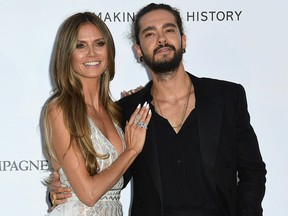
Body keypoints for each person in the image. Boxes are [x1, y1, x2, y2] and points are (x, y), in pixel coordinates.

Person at [51, 3, 267, 216]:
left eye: (169, 30)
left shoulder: (226, 97)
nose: (162, 39)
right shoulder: (127, 111)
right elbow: (109, 176)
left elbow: (252, 171)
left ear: (183, 41)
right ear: (138, 51)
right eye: (150, 34)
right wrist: (62, 189)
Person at [43, 12, 151, 216]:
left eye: (99, 44)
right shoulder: (59, 109)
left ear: (109, 50)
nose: (92, 53)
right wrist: (131, 150)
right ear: (67, 54)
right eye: (80, 45)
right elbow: (89, 193)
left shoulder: (115, 112)